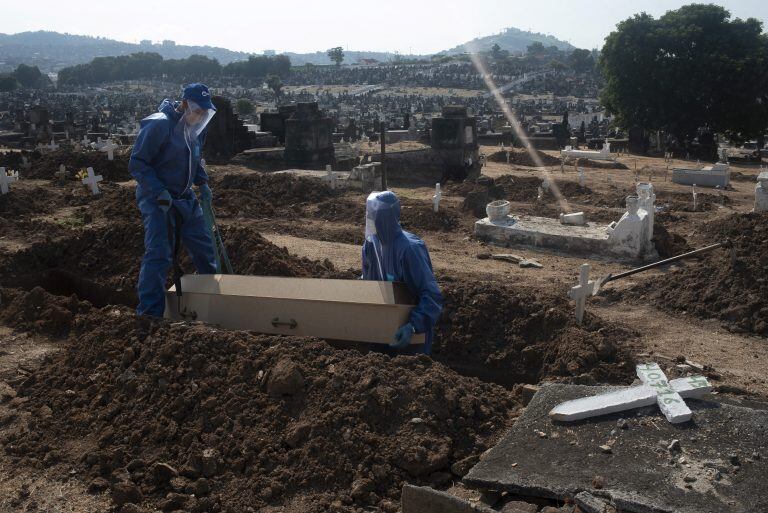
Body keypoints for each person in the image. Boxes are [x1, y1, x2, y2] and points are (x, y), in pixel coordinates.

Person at [129, 83, 217, 317]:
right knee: (159, 254)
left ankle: (215, 303)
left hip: (185, 197)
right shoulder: (159, 124)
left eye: (205, 113)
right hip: (157, 199)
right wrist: (159, 191)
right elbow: (137, 163)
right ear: (185, 104)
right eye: (198, 111)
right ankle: (149, 315)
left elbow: (194, 158)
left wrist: (203, 182)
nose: (201, 117)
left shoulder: (196, 128)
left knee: (204, 249)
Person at [361, 191, 443, 354]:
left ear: (387, 217)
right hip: (380, 332)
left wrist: (412, 326)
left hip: (410, 340)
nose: (371, 220)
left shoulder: (409, 249)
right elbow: (368, 281)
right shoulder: (370, 246)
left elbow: (431, 295)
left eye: (375, 215)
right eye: (370, 215)